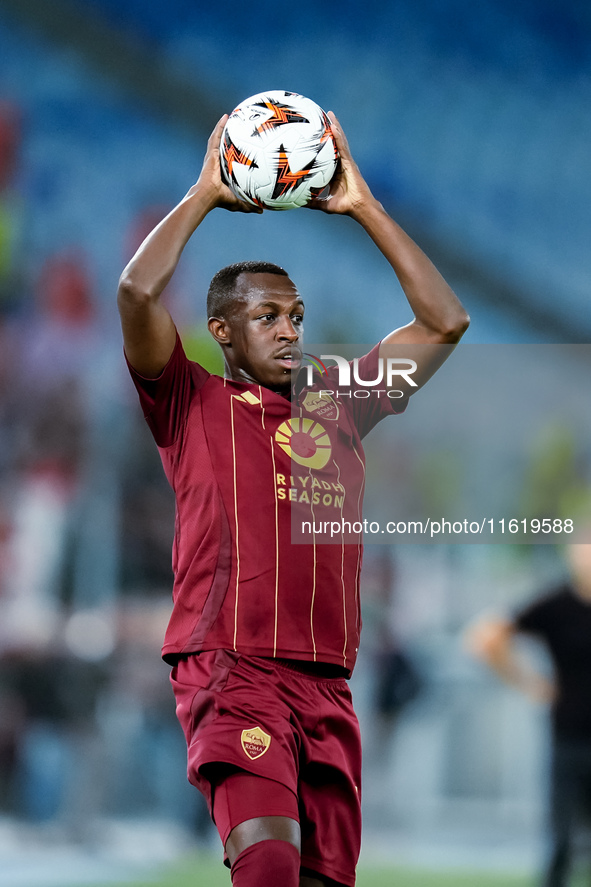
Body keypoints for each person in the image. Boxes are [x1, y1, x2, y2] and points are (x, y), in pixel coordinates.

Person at [117, 110, 469, 887]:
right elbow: (137, 292)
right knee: (268, 861)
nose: (288, 330)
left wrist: (363, 207)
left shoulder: (340, 404)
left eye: (297, 316)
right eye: (267, 316)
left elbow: (445, 321)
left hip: (328, 684)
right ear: (222, 331)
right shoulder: (188, 401)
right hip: (232, 668)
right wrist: (206, 190)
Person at [466, 543, 591, 887]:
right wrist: (528, 683)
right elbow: (484, 637)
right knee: (562, 843)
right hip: (571, 738)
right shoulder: (557, 605)